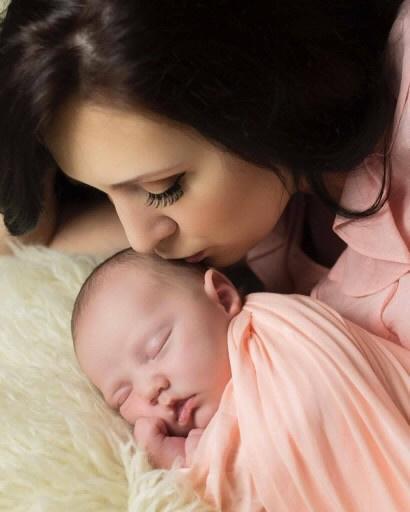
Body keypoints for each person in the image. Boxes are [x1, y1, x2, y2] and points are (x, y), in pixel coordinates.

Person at [1, 1, 409, 345]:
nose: (140, 241)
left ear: (255, 86)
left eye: (163, 188)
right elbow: (32, 242)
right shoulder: (259, 200)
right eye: (101, 191)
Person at [72, 248, 410, 512]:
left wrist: (185, 463)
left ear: (222, 297)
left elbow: (276, 464)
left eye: (156, 346)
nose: (150, 390)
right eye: (123, 395)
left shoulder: (275, 336)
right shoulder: (235, 409)